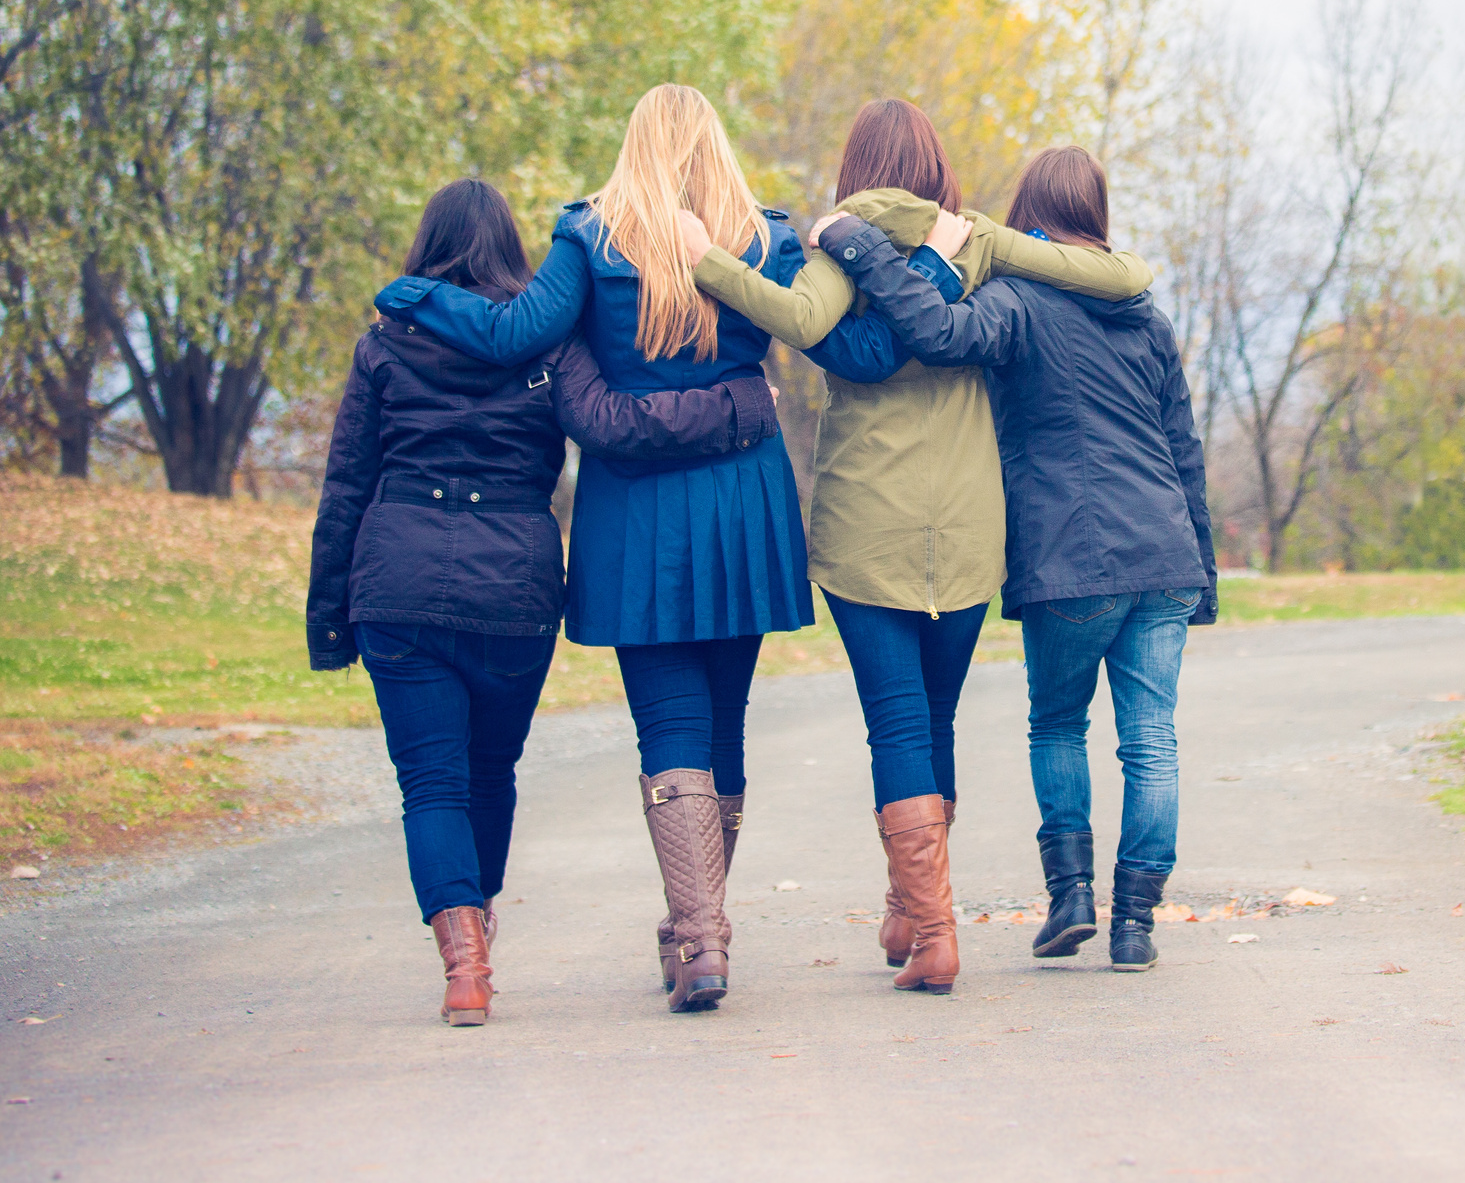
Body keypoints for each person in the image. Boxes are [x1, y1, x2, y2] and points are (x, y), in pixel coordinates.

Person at [365, 86, 922, 1013]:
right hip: (743, 499)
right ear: (714, 147)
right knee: (725, 721)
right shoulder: (768, 240)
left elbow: (512, 335)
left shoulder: (589, 239)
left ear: (633, 147)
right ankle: (697, 929)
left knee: (670, 725)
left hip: (637, 514)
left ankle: (700, 937)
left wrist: (410, 293)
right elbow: (828, 334)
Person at [676, 99, 1155, 994]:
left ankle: (932, 929)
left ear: (856, 169)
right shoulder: (978, 243)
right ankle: (913, 908)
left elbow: (798, 321)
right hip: (972, 523)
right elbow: (1121, 277)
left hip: (867, 523)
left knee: (895, 721)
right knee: (934, 719)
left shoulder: (835, 246)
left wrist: (698, 255)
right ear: (937, 169)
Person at [308, 177, 773, 1027]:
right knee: (488, 771)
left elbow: (347, 486)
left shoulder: (386, 344)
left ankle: (466, 967)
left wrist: (330, 617)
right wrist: (740, 401)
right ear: (514, 253)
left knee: (431, 785)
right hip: (514, 588)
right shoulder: (549, 346)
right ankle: (485, 939)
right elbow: (619, 426)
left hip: (399, 579)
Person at [811, 145, 1216, 972]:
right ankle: (1135, 923)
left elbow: (930, 330)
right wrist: (1202, 572)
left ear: (1028, 219)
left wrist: (858, 246)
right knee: (1154, 741)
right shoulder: (1146, 315)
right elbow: (1185, 449)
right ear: (1097, 219)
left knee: (1059, 723)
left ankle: (1070, 898)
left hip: (1072, 556)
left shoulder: (1016, 301)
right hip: (1167, 554)